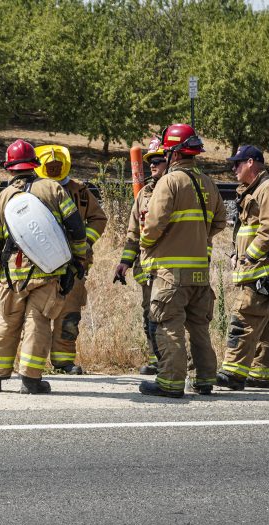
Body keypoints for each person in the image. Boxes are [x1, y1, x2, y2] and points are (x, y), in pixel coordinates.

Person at [0, 139, 87, 394]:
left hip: (12, 275)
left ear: (9, 168)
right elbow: (76, 229)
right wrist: (79, 261)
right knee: (37, 322)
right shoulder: (53, 189)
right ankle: (31, 379)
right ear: (35, 165)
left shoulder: (2, 198)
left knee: (6, 321)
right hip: (49, 274)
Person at [137, 123, 227, 399]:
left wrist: (146, 242)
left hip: (170, 273)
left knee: (168, 325)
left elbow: (153, 225)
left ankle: (171, 382)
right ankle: (205, 378)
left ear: (174, 152)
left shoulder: (170, 181)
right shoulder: (208, 182)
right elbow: (221, 222)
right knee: (199, 327)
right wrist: (197, 236)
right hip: (200, 272)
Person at [215, 145, 269, 390]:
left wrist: (249, 256)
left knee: (244, 319)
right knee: (264, 324)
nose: (233, 168)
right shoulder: (254, 190)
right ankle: (261, 372)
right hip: (258, 270)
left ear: (251, 163)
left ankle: (233, 373)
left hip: (263, 271)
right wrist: (237, 255)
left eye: (237, 163)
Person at [34, 145, 107, 375]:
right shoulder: (34, 190)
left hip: (75, 264)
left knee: (70, 315)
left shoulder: (79, 190)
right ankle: (32, 363)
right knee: (38, 313)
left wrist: (85, 244)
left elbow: (98, 218)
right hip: (42, 264)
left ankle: (63, 362)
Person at [116, 137, 167, 375]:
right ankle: (155, 358)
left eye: (158, 160)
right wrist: (125, 262)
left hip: (169, 266)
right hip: (146, 267)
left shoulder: (176, 188)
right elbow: (133, 232)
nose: (153, 165)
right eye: (150, 161)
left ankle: (176, 361)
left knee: (170, 315)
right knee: (149, 313)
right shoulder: (144, 194)